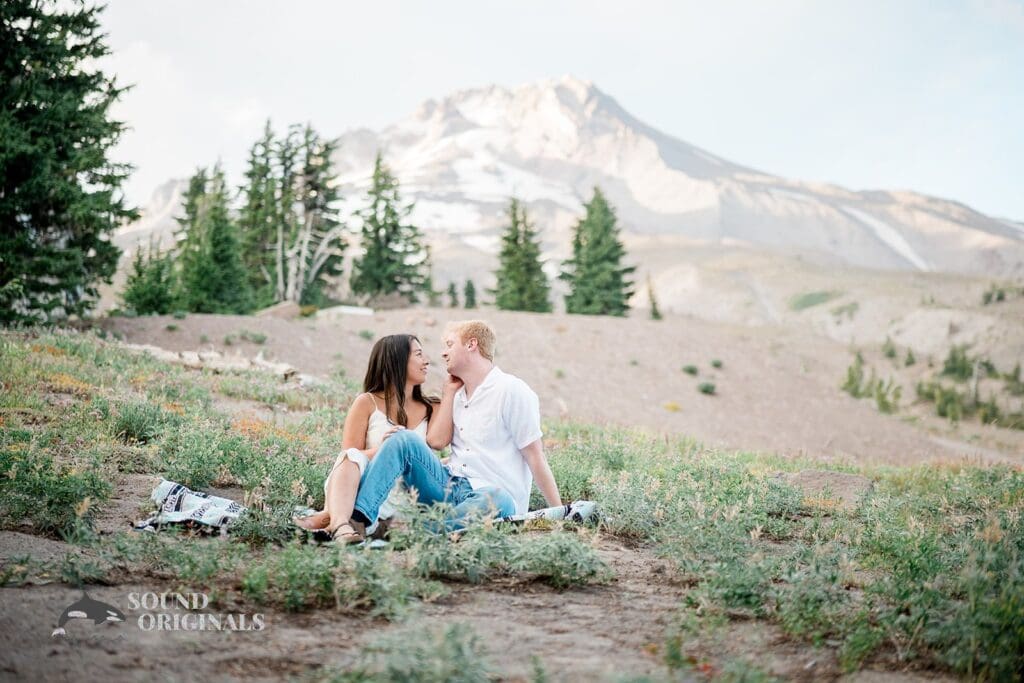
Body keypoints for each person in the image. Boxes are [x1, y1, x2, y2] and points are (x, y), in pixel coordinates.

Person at [346, 320, 562, 537]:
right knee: (402, 438)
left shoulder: (512, 390)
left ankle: (408, 531)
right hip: (449, 485)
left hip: (490, 496)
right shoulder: (456, 397)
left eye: (450, 344)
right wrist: (448, 393)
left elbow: (535, 456)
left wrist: (559, 511)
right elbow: (437, 444)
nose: (442, 353)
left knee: (499, 498)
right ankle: (359, 520)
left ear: (471, 344)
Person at [295, 333, 448, 543]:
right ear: (398, 360)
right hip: (364, 484)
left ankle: (328, 519)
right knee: (350, 457)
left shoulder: (434, 407)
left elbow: (437, 447)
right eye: (419, 354)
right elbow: (349, 457)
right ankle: (340, 526)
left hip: (406, 491)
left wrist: (450, 393)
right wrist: (386, 449)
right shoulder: (367, 402)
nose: (427, 361)